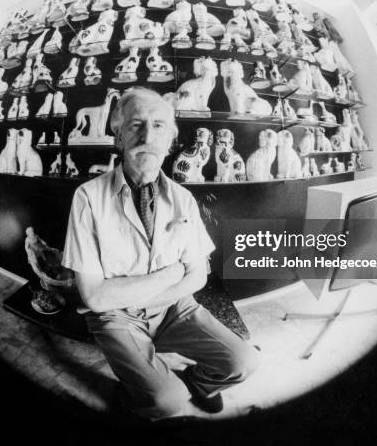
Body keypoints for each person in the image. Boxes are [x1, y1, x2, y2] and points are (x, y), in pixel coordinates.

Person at [63, 87, 260, 421]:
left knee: (244, 362)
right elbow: (95, 297)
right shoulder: (88, 197)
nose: (147, 135)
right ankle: (141, 397)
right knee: (166, 401)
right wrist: (169, 275)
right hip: (116, 316)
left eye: (158, 126)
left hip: (175, 306)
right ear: (118, 134)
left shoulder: (183, 198)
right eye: (136, 124)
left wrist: (149, 292)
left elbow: (198, 275)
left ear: (171, 140)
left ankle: (199, 384)